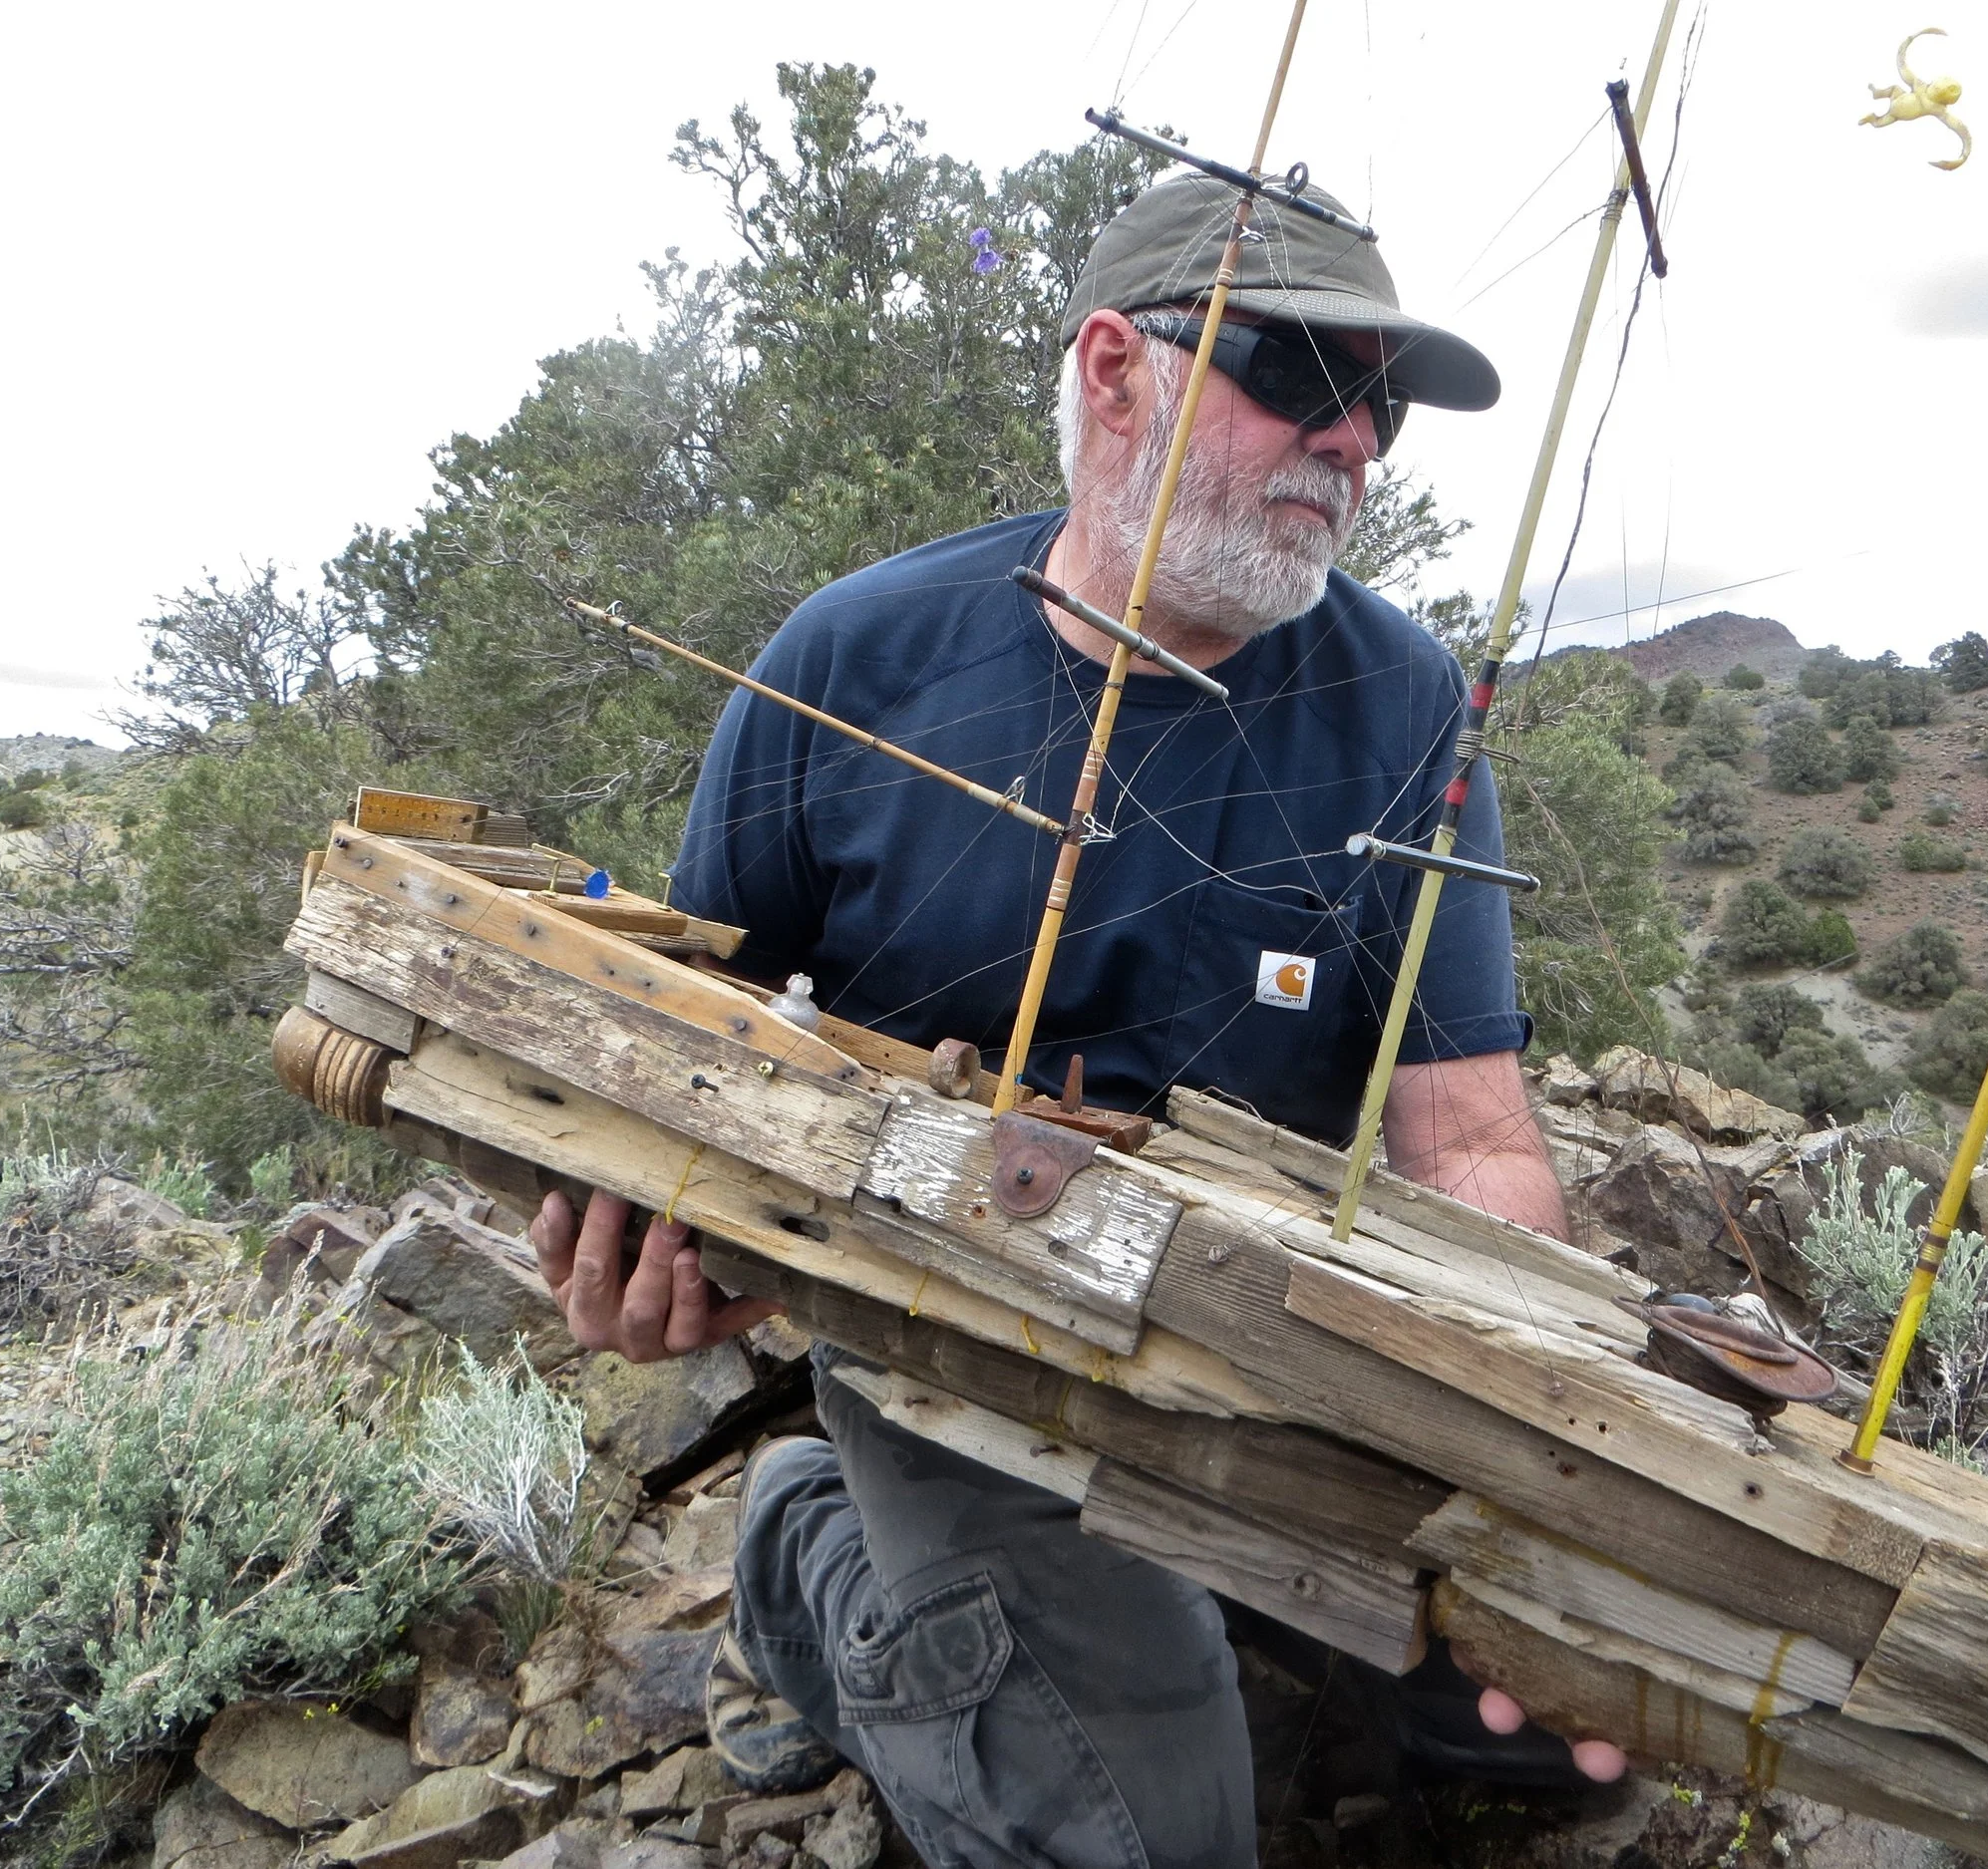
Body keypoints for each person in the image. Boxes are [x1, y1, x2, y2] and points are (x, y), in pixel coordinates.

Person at [528, 171, 1623, 1863]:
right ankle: (814, 1550)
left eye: (1380, 402)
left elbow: (1469, 1137)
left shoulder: (1412, 707)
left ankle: (1171, 1608)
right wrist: (639, 1246)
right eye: (1302, 376)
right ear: (1116, 371)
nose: (1359, 441)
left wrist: (1532, 1470)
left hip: (1264, 1356)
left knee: (1569, 1722)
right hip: (948, 1351)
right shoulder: (845, 665)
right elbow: (690, 1063)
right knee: (1149, 1828)